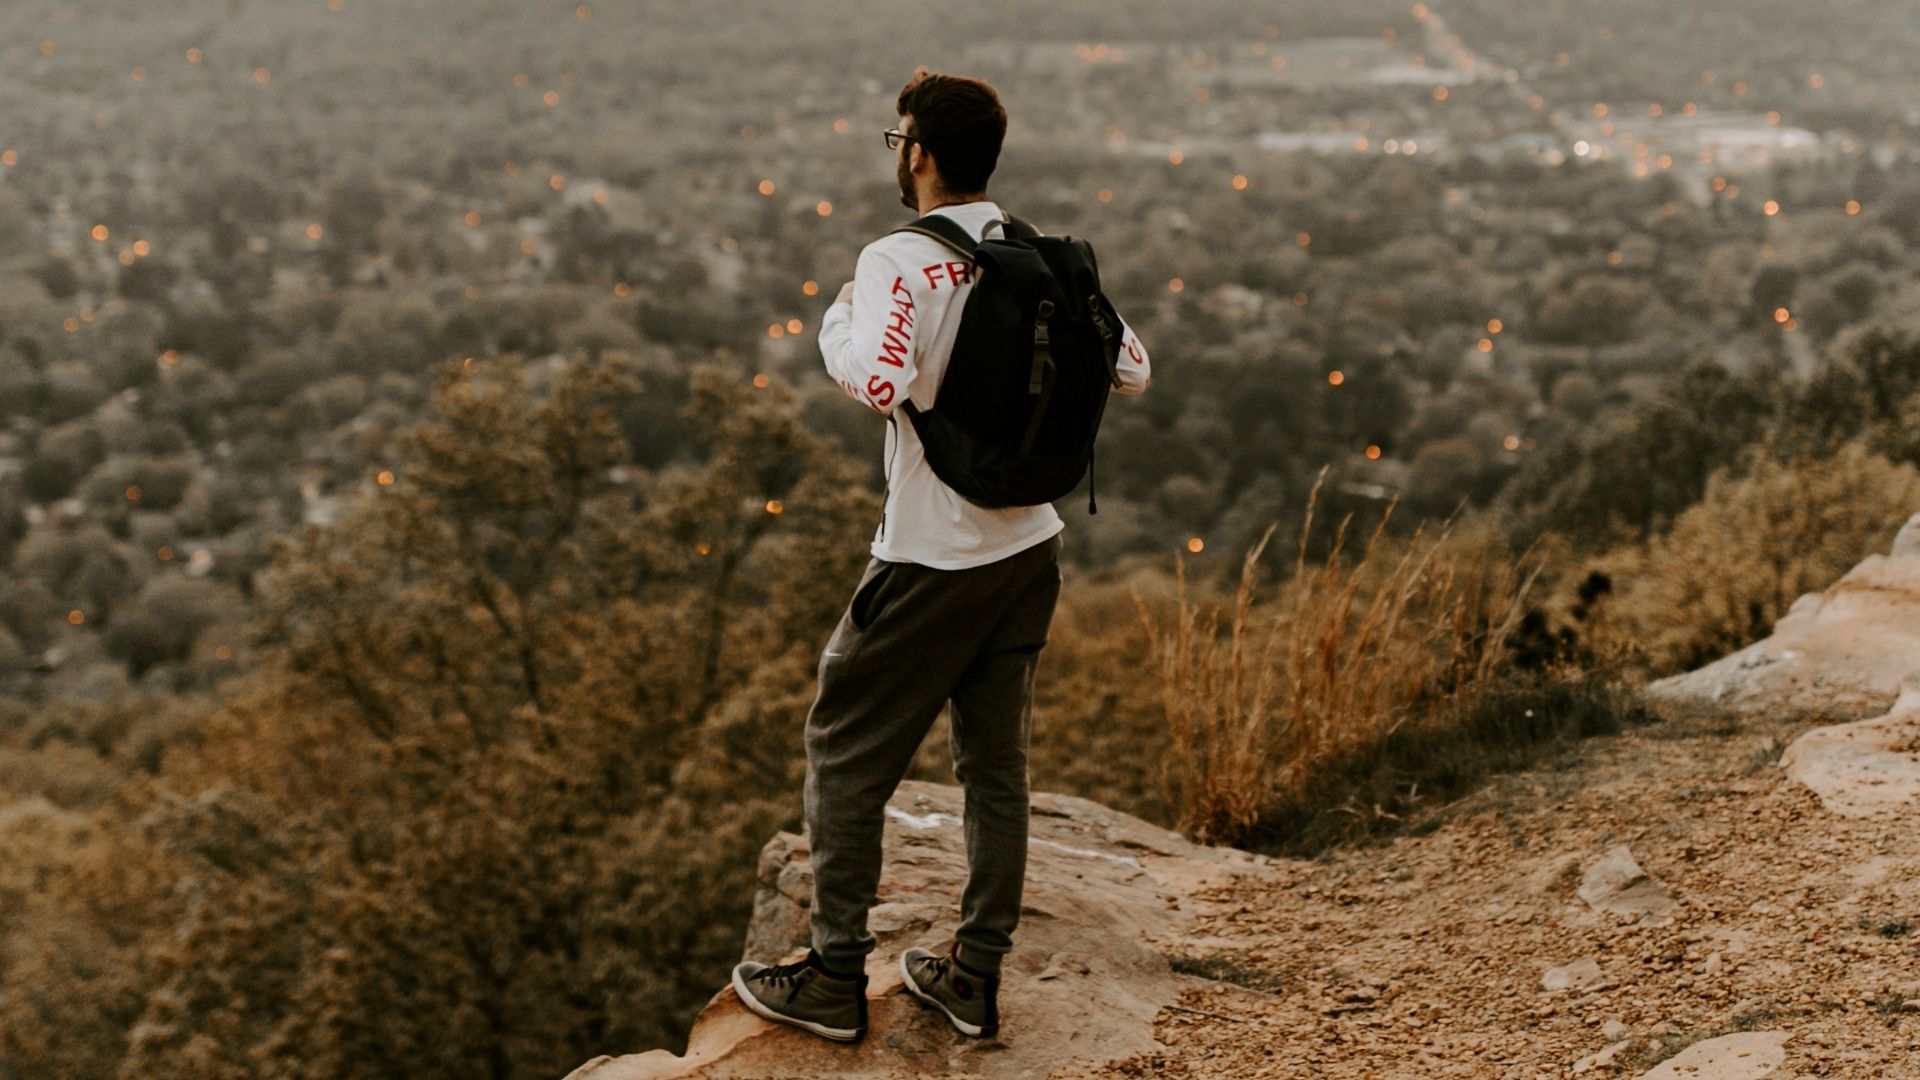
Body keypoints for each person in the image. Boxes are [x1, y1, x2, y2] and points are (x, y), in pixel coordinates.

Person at [729, 66, 1152, 1045]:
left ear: (918, 153)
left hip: (930, 555)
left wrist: (838, 323)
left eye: (898, 140)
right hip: (1029, 548)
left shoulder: (898, 259)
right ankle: (972, 970)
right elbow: (1133, 367)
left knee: (841, 749)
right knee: (994, 767)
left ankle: (834, 977)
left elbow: (878, 381)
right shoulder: (1039, 253)